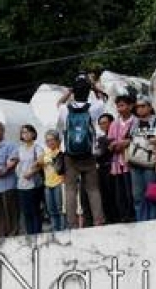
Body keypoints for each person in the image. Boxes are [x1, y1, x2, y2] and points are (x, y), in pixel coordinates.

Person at [58, 73, 106, 229]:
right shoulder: (94, 107)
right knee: (93, 189)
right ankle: (98, 221)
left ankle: (71, 224)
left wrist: (69, 92)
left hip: (70, 156)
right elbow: (103, 99)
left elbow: (58, 103)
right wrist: (94, 87)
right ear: (88, 91)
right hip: (88, 154)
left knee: (71, 190)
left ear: (74, 91)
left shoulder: (65, 109)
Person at [128, 96, 156, 221]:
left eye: (143, 106)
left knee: (152, 195)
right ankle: (141, 221)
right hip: (135, 163)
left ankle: (152, 221)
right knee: (137, 196)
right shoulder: (134, 123)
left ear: (150, 107)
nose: (140, 109)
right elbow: (129, 140)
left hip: (150, 163)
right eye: (138, 107)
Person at [106, 95, 136, 224]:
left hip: (131, 161)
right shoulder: (114, 124)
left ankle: (133, 215)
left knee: (131, 192)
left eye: (123, 105)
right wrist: (115, 145)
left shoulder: (136, 121)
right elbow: (110, 142)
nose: (120, 108)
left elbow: (136, 139)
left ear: (130, 106)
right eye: (118, 106)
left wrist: (125, 143)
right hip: (117, 164)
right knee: (120, 193)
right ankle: (123, 216)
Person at [16, 124, 45, 235]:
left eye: (28, 132)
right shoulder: (20, 148)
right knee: (26, 212)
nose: (25, 134)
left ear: (33, 134)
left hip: (33, 183)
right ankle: (29, 236)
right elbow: (17, 162)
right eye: (23, 132)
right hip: (21, 184)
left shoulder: (37, 147)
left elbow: (41, 162)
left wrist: (31, 172)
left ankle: (37, 234)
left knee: (35, 211)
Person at [40, 130, 66, 232]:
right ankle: (55, 232)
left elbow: (61, 169)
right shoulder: (45, 154)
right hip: (48, 185)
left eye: (52, 140)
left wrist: (51, 160)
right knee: (51, 211)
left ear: (58, 141)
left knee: (61, 210)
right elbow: (37, 163)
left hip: (59, 183)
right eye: (47, 140)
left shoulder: (61, 153)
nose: (50, 142)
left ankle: (63, 231)